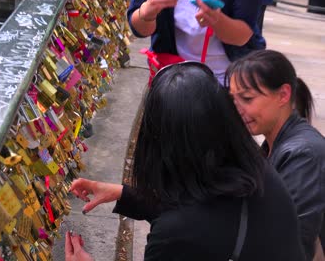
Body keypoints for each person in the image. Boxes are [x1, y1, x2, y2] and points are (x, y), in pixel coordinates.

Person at [67, 62, 305, 260]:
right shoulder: (252, 170)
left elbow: (193, 223)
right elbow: (203, 206)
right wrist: (125, 194)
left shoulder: (176, 236)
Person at [226, 49, 325, 261]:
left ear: (283, 95)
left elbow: (295, 242)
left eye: (247, 98)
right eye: (233, 100)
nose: (237, 109)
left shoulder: (303, 154)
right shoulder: (275, 144)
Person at [129, 0, 266, 83]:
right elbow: (139, 29)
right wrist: (148, 11)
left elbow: (242, 35)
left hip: (224, 81)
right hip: (173, 80)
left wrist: (217, 21)